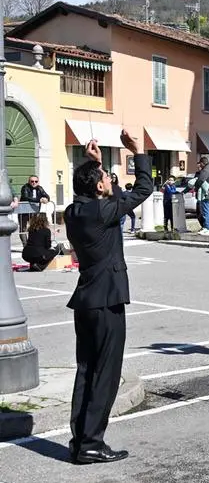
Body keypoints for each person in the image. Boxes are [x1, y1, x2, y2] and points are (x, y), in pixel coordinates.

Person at [65, 132, 153, 464]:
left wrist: (95, 164)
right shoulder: (103, 212)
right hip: (106, 302)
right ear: (99, 187)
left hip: (86, 301)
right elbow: (143, 190)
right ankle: (91, 443)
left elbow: (100, 193)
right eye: (106, 177)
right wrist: (138, 152)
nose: (110, 180)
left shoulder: (73, 212)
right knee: (106, 373)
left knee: (86, 370)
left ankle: (80, 439)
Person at [194, 157, 209, 234]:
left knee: (205, 210)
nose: (199, 165)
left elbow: (200, 180)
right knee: (208, 210)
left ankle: (207, 227)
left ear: (202, 163)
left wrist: (196, 187)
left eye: (200, 163)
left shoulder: (206, 170)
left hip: (205, 193)